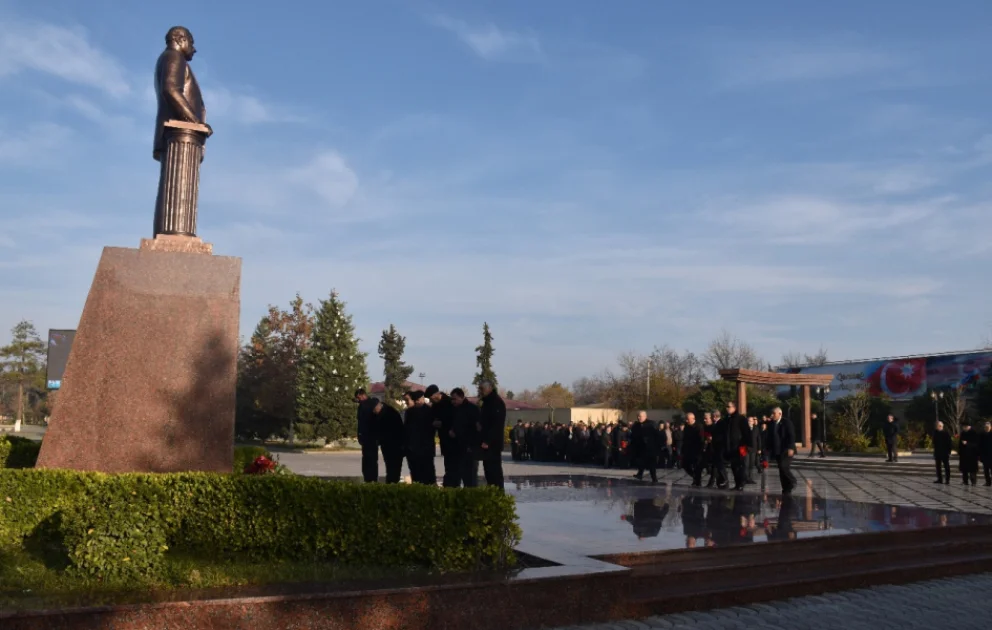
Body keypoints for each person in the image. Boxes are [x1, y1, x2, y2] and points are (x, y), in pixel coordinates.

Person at [425, 385, 459, 488]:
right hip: (444, 440)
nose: (431, 400)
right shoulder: (435, 406)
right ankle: (449, 486)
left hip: (453, 440)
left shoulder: (449, 403)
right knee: (448, 466)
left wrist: (442, 423)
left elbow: (454, 420)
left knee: (454, 467)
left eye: (431, 398)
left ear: (436, 394)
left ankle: (452, 486)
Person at [478, 381, 507, 490]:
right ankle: (492, 493)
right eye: (480, 389)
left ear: (490, 388)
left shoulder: (496, 402)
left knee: (494, 472)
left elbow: (497, 425)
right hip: (487, 443)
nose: (480, 391)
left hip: (492, 444)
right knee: (489, 472)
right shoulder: (487, 402)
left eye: (482, 388)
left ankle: (498, 495)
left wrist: (488, 441)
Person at [450, 388, 481, 487]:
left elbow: (476, 430)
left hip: (470, 448)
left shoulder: (472, 409)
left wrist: (471, 446)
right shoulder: (455, 410)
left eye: (455, 399)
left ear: (462, 397)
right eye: (452, 399)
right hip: (458, 447)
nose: (453, 401)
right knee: (460, 474)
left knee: (470, 477)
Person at [404, 391, 436, 485]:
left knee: (428, 473)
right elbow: (407, 429)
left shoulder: (429, 411)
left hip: (426, 448)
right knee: (416, 473)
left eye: (420, 399)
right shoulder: (410, 412)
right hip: (413, 449)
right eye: (417, 400)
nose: (419, 401)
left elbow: (431, 430)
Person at [372, 398, 405, 483]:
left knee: (394, 469)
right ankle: (391, 484)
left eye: (374, 409)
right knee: (390, 468)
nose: (373, 412)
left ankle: (392, 485)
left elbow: (395, 430)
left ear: (378, 406)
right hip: (387, 446)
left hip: (395, 446)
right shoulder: (381, 413)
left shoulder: (390, 413)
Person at [769, 407, 797, 494]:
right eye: (771, 413)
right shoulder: (772, 424)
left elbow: (791, 435)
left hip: (786, 449)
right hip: (777, 450)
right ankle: (786, 488)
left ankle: (793, 481)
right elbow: (769, 437)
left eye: (774, 413)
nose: (772, 415)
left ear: (780, 414)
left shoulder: (786, 422)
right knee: (781, 470)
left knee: (783, 466)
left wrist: (791, 448)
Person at [355, 388, 380, 482]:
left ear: (363, 395)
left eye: (359, 397)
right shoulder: (363, 405)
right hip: (366, 438)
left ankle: (371, 479)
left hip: (371, 437)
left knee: (371, 460)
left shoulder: (372, 403)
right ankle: (369, 479)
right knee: (368, 460)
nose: (358, 400)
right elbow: (360, 422)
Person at [724, 401, 749, 491]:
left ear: (734, 407)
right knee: (733, 466)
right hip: (729, 447)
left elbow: (746, 433)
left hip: (739, 446)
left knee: (740, 466)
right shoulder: (727, 419)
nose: (727, 408)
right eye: (726, 406)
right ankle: (737, 484)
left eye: (729, 406)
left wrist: (746, 445)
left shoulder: (741, 418)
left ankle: (741, 483)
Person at [630, 411, 659, 483]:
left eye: (640, 416)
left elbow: (657, 435)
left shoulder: (651, 424)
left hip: (650, 447)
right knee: (640, 462)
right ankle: (640, 474)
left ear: (645, 416)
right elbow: (633, 436)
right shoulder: (636, 425)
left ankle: (654, 478)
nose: (639, 417)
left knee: (651, 464)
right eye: (638, 416)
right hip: (640, 448)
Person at [681, 412, 703, 487]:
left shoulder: (699, 427)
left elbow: (701, 439)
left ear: (693, 419)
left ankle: (697, 481)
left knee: (697, 467)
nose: (686, 421)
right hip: (688, 450)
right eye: (686, 419)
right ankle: (695, 477)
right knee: (685, 465)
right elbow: (684, 439)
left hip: (697, 450)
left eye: (688, 419)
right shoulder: (686, 427)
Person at [958, 420, 980, 486]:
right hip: (964, 454)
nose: (963, 428)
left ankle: (973, 482)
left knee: (972, 469)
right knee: (964, 469)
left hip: (972, 455)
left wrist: (967, 444)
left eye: (964, 427)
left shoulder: (974, 433)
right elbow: (960, 443)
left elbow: (976, 444)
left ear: (968, 426)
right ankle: (965, 481)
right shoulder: (963, 433)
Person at [932, 420, 952, 485]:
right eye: (938, 426)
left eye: (940, 426)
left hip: (945, 452)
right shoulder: (935, 433)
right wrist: (935, 453)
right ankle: (940, 479)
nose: (939, 427)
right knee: (938, 467)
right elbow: (934, 443)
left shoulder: (946, 433)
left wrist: (949, 452)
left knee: (946, 467)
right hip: (938, 452)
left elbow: (949, 443)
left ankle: (947, 480)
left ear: (942, 426)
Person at [980, 421, 992, 487]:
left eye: (988, 427)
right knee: (986, 470)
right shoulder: (982, 435)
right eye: (985, 427)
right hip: (985, 455)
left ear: (990, 427)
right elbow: (980, 445)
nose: (987, 428)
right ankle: (988, 482)